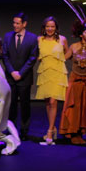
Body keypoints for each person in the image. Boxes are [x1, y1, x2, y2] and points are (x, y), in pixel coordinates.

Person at [1, 12, 38, 141]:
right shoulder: (8, 36)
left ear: (24, 24)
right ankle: (11, 129)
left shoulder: (32, 38)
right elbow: (5, 56)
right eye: (14, 23)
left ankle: (24, 131)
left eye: (17, 23)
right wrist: (12, 72)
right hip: (11, 77)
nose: (15, 25)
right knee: (11, 106)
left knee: (25, 105)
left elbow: (32, 58)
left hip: (25, 78)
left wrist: (21, 73)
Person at [34, 16, 68, 144]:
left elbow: (67, 52)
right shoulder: (39, 40)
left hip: (58, 72)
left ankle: (49, 131)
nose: (50, 29)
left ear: (56, 28)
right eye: (48, 26)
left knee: (53, 101)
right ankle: (53, 128)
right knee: (48, 101)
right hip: (45, 72)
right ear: (44, 27)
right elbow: (36, 55)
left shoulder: (62, 39)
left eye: (52, 26)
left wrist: (62, 60)